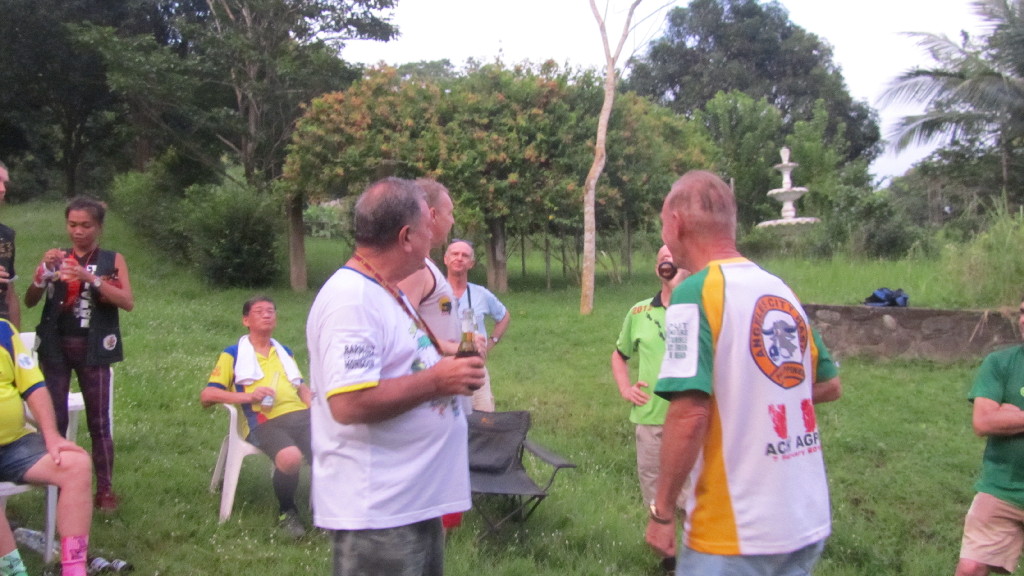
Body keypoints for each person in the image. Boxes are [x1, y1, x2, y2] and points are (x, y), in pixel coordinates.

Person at [645, 170, 842, 575]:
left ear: (676, 224)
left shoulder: (694, 292)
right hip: (805, 519)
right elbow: (827, 384)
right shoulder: (780, 289)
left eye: (663, 224)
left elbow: (689, 414)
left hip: (736, 529)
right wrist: (755, 394)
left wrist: (662, 510)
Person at [306, 177, 485, 576]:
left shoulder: (386, 291)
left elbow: (409, 360)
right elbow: (348, 403)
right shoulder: (351, 300)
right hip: (379, 512)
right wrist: (439, 381)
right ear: (406, 237)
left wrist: (456, 364)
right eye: (426, 229)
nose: (433, 237)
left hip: (412, 500)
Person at [24, 196, 134, 513]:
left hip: (94, 347)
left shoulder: (111, 259)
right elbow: (31, 300)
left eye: (86, 225)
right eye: (72, 224)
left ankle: (105, 490)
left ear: (99, 227)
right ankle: (57, 486)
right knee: (55, 419)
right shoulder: (58, 258)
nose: (78, 231)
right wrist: (43, 272)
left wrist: (91, 279)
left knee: (99, 421)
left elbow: (127, 301)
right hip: (55, 347)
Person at [200, 296, 312, 539]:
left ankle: (334, 511)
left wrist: (311, 400)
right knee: (290, 458)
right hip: (263, 421)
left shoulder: (284, 352)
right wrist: (249, 396)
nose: (267, 315)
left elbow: (300, 386)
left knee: (333, 448)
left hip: (301, 416)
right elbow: (207, 396)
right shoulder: (233, 354)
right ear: (246, 320)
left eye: (271, 311)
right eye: (259, 311)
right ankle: (287, 511)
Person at [611, 245, 689, 574]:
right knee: (657, 498)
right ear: (657, 268)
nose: (668, 264)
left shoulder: (701, 309)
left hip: (692, 420)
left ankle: (698, 561)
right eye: (663, 260)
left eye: (675, 259)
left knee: (693, 498)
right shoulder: (639, 311)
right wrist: (625, 388)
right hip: (650, 419)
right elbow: (619, 355)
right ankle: (670, 563)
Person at [0, 319, 93, 576]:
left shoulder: (4, 331)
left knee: (76, 465)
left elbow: (34, 386)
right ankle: (13, 572)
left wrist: (51, 435)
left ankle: (74, 569)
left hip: (15, 443)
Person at [954, 298, 1024, 576]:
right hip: (1003, 486)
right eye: (1022, 312)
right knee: (971, 568)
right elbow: (983, 421)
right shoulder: (1000, 362)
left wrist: (1011, 414)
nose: (1022, 320)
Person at [444, 239, 510, 412]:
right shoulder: (434, 291)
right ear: (446, 259)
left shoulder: (481, 294)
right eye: (455, 254)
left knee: (484, 419)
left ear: (471, 264)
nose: (459, 258)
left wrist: (491, 342)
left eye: (465, 255)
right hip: (443, 369)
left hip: (475, 370)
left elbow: (504, 316)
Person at [0, 162, 21, 328]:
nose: (2, 189)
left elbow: (9, 294)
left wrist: (15, 336)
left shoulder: (6, 235)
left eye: (4, 183)